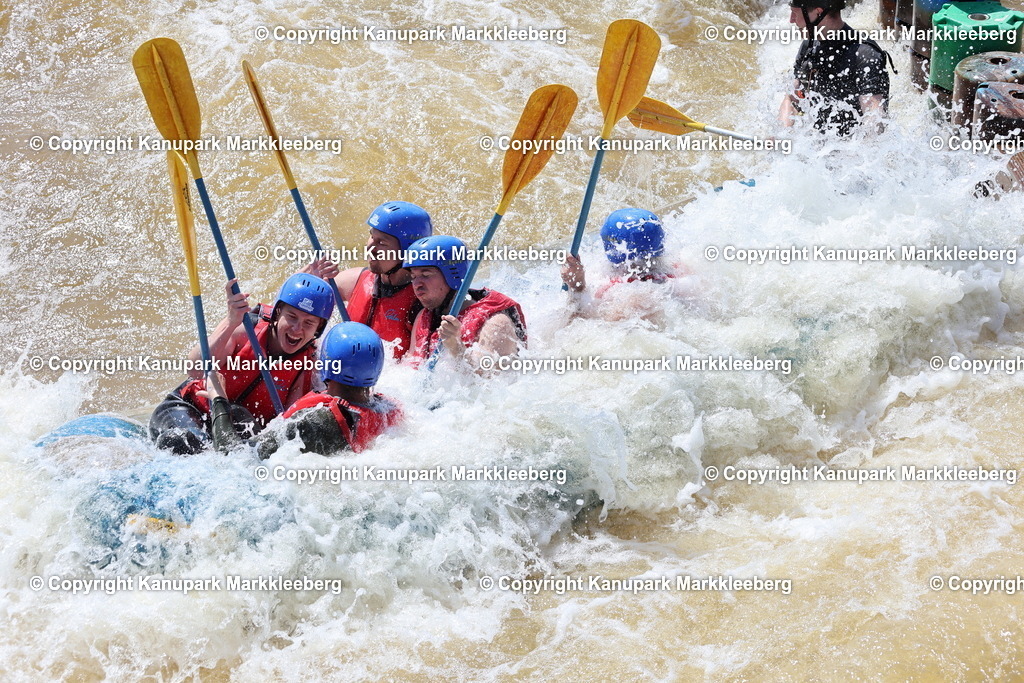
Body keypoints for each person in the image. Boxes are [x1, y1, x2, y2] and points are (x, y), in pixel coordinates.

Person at [149, 273, 335, 455]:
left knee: (243, 450)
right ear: (277, 313)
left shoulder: (309, 362)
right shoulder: (244, 329)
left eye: (308, 323)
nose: (296, 329)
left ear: (318, 329)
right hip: (191, 409)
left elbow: (286, 421)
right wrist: (230, 322)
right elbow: (195, 369)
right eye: (292, 317)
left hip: (236, 422)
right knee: (185, 443)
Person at [207, 322, 403, 457]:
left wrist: (218, 400)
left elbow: (232, 456)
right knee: (239, 414)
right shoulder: (387, 409)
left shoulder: (316, 421)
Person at [307, 201, 432, 360]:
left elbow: (413, 369)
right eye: (372, 236)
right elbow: (291, 304)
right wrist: (312, 272)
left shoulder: (421, 302)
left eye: (382, 243)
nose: (370, 247)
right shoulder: (356, 280)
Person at [402, 235, 526, 366]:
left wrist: (455, 347)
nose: (416, 284)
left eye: (426, 275)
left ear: (452, 276)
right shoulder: (423, 317)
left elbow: (489, 380)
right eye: (413, 276)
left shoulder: (495, 322)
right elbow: (409, 369)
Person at [778, 0, 893, 135]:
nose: (791, 20)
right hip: (816, 143)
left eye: (794, 13)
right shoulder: (810, 45)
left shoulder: (865, 55)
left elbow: (874, 120)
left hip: (851, 147)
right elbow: (792, 99)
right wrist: (782, 135)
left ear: (818, 12)